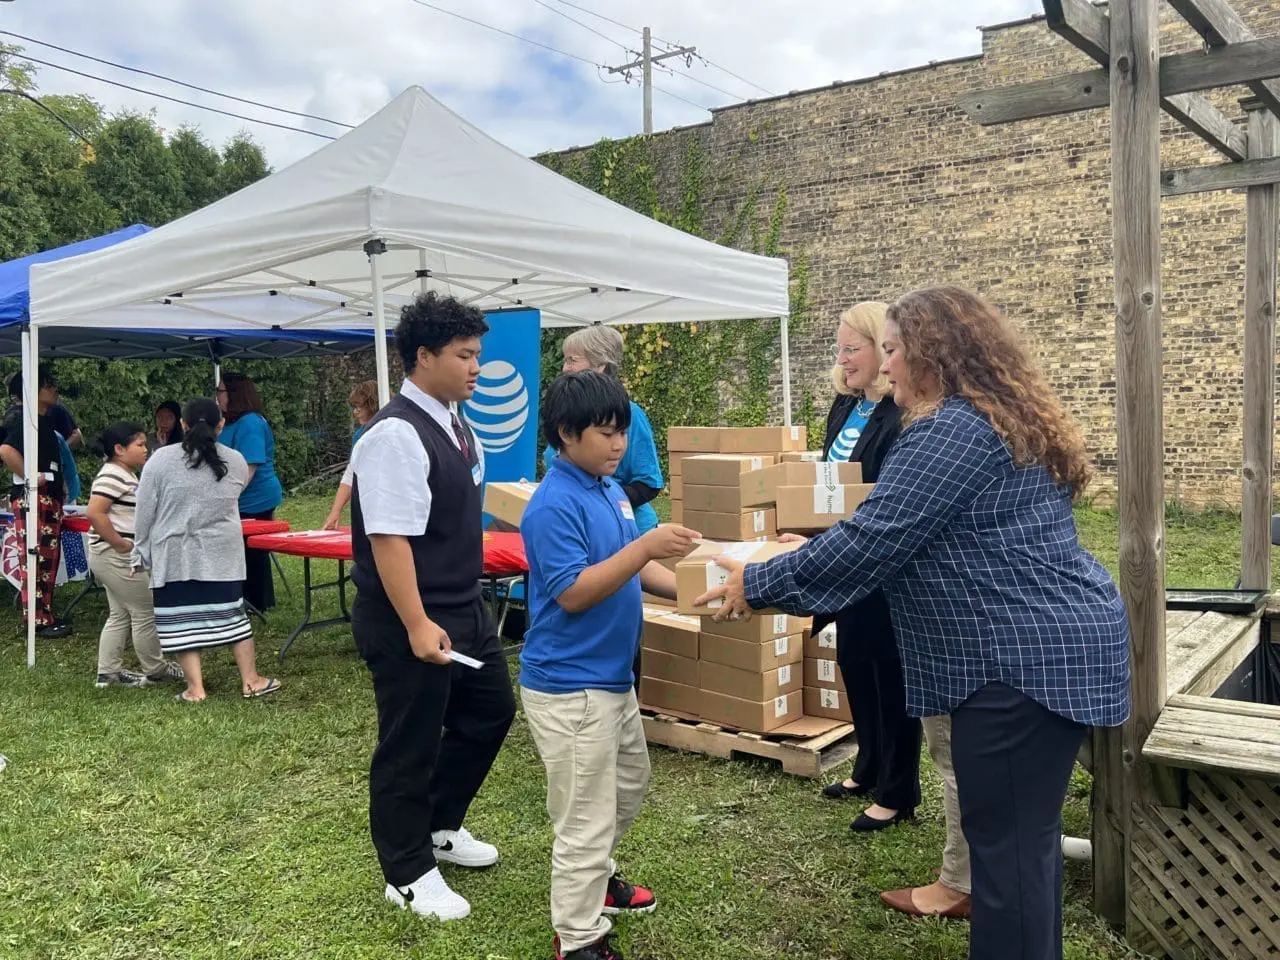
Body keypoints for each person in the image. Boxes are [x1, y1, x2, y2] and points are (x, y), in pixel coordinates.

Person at [696, 286, 1130, 960]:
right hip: (1037, 656)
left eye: (893, 350)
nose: (885, 366)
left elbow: (876, 541)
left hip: (1015, 666)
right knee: (1019, 854)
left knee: (1008, 861)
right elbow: (892, 533)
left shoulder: (950, 431)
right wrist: (799, 557)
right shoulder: (985, 418)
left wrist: (756, 582)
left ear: (935, 353)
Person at [521, 371, 699, 960]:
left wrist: (690, 594)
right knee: (585, 814)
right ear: (567, 434)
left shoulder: (610, 489)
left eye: (622, 431)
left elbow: (634, 571)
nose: (619, 444)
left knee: (626, 788)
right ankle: (578, 937)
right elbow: (573, 592)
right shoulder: (552, 505)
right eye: (605, 433)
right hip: (570, 688)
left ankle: (597, 881)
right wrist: (645, 546)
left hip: (612, 680)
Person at [349, 292, 516, 922]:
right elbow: (388, 537)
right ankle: (407, 870)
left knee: (491, 712)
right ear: (423, 356)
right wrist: (417, 623)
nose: (476, 367)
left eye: (478, 354)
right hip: (410, 615)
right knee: (409, 740)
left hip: (463, 603)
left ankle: (441, 825)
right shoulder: (395, 432)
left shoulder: (454, 419)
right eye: (464, 355)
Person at [806, 303, 925, 838]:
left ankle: (899, 791)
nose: (843, 358)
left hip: (886, 560)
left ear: (883, 350)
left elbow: (892, 490)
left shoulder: (901, 413)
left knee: (891, 671)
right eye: (840, 348)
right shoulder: (843, 406)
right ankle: (867, 766)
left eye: (852, 347)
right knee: (854, 659)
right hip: (846, 554)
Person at [132, 397, 280, 704]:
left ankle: (195, 688)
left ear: (183, 424)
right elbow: (232, 493)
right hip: (220, 552)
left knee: (180, 621)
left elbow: (144, 510)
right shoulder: (236, 460)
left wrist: (140, 548)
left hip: (173, 551)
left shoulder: (159, 460)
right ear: (222, 425)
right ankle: (251, 680)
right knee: (234, 617)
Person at [85, 421, 185, 689]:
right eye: (139, 445)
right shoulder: (112, 476)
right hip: (114, 556)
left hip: (109, 555)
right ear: (119, 449)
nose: (146, 449)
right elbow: (95, 512)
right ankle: (155, 670)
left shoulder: (123, 473)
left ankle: (108, 673)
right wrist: (119, 544)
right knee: (145, 611)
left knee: (120, 614)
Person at [548, 327, 663, 535]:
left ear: (600, 365)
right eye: (565, 360)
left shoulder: (630, 414)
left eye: (573, 360)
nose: (565, 368)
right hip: (577, 523)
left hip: (630, 533)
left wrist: (602, 503)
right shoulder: (568, 411)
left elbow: (649, 483)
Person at [0, 367, 71, 637]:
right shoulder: (25, 421)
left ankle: (46, 614)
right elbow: (6, 450)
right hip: (34, 498)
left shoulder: (44, 420)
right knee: (35, 559)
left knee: (47, 560)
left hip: (48, 498)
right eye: (48, 384)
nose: (54, 389)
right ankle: (37, 621)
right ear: (33, 390)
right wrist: (32, 477)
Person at [216, 374, 283, 612]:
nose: (217, 397)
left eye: (221, 392)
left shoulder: (251, 423)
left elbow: (249, 467)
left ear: (234, 394)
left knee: (252, 549)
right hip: (238, 495)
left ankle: (257, 603)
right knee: (242, 548)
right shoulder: (231, 422)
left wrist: (227, 497)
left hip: (256, 497)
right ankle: (246, 598)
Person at [323, 380, 381, 531]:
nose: (355, 412)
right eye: (354, 407)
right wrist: (335, 511)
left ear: (372, 405)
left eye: (359, 406)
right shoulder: (359, 435)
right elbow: (351, 472)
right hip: (366, 506)